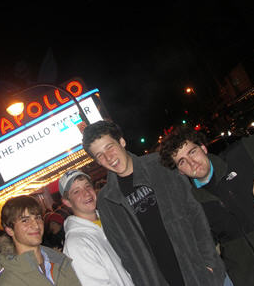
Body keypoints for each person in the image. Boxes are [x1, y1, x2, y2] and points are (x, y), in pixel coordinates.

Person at [82, 120, 228, 286]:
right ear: (98, 162)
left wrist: (209, 263)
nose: (108, 157)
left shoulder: (160, 166)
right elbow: (124, 253)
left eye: (110, 147)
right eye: (100, 155)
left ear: (122, 141)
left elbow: (195, 213)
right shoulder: (107, 201)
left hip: (201, 274)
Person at [159, 125, 254, 286]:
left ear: (203, 148)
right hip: (248, 280)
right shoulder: (191, 204)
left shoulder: (239, 156)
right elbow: (204, 245)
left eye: (192, 152)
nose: (192, 163)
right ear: (180, 171)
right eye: (182, 162)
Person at [59, 169, 134, 285]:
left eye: (87, 186)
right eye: (76, 192)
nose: (86, 193)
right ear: (67, 202)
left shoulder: (110, 220)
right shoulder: (76, 243)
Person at [0, 195, 81, 286]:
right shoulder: (8, 282)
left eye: (38, 217)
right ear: (10, 230)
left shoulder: (61, 261)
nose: (36, 225)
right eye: (25, 220)